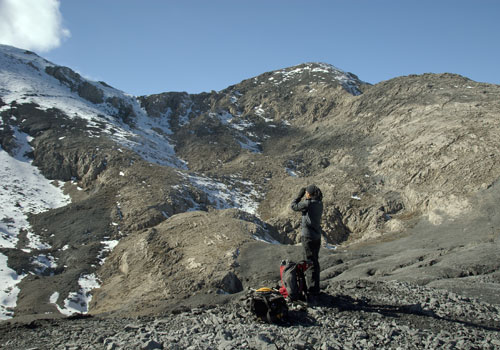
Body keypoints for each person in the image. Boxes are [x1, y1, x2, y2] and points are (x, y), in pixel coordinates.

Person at [290, 184, 323, 296]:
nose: (306, 194)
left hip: (308, 237)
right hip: (317, 236)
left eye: (307, 193)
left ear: (310, 194)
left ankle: (312, 290)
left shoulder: (308, 204)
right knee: (314, 261)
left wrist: (299, 196)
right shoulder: (319, 203)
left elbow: (293, 206)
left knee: (309, 263)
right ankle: (315, 287)